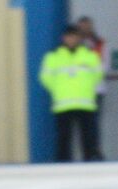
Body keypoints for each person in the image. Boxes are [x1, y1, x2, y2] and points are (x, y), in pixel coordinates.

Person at [39, 25, 104, 162]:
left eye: (74, 37)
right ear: (64, 38)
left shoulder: (90, 56)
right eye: (69, 37)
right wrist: (58, 89)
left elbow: (98, 75)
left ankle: (90, 162)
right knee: (63, 138)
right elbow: (45, 78)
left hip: (85, 103)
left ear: (79, 38)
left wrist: (86, 88)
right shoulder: (53, 57)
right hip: (63, 104)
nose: (71, 39)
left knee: (88, 138)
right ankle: (63, 164)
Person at [76, 15, 110, 149]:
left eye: (87, 26)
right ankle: (86, 153)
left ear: (91, 27)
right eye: (81, 27)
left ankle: (95, 152)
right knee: (82, 125)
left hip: (96, 90)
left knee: (94, 123)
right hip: (78, 91)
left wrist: (87, 73)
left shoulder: (101, 44)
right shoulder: (73, 45)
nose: (84, 29)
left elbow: (105, 66)